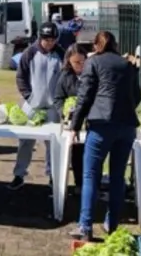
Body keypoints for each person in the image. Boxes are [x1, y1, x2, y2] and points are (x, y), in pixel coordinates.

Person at [68, 31, 141, 240]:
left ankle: (85, 226)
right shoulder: (127, 65)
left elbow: (85, 96)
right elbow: (136, 96)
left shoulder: (94, 62)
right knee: (118, 176)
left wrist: (75, 125)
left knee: (91, 174)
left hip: (101, 124)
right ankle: (113, 223)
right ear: (115, 44)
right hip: (126, 125)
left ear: (95, 45)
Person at [10, 21, 65, 190]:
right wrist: (28, 95)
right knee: (26, 142)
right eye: (46, 39)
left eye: (53, 39)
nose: (49, 43)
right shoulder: (30, 52)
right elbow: (20, 76)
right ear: (40, 38)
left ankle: (52, 175)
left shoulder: (61, 54)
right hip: (31, 106)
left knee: (53, 143)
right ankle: (19, 174)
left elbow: (66, 77)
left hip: (53, 107)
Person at [53, 46, 87, 193]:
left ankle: (93, 184)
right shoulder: (65, 76)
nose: (79, 65)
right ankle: (79, 184)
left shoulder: (93, 73)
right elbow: (58, 98)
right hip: (73, 123)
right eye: (75, 62)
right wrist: (64, 112)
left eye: (82, 61)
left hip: (91, 120)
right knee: (77, 153)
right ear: (69, 62)